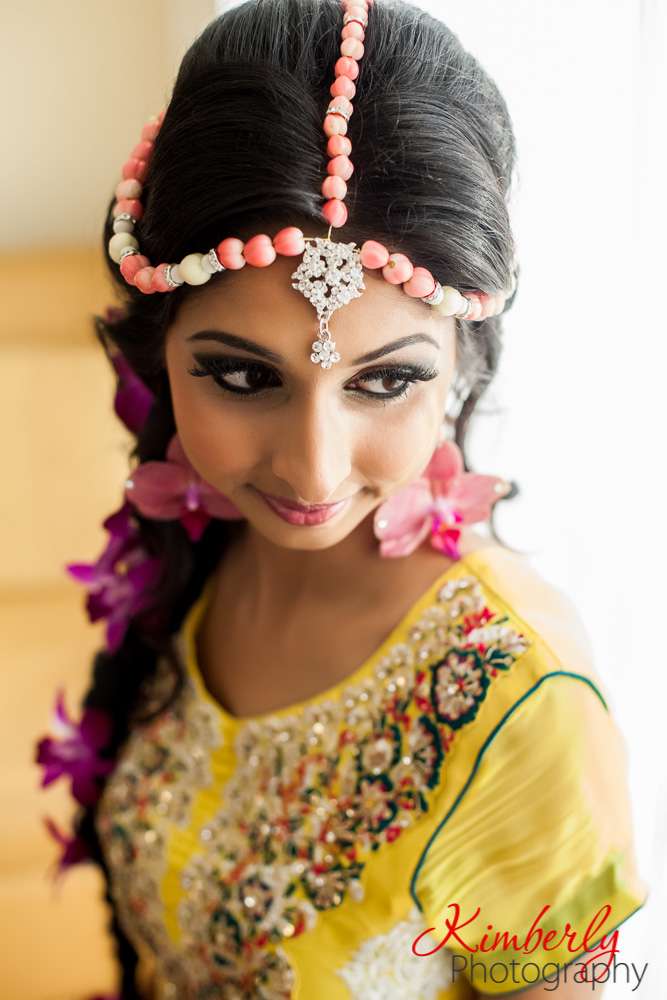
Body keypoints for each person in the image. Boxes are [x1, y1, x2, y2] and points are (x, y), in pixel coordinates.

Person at [36, 1, 648, 997]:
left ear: (460, 358)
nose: (314, 474)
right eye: (242, 377)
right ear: (161, 354)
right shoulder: (201, 550)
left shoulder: (520, 706)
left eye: (385, 380)